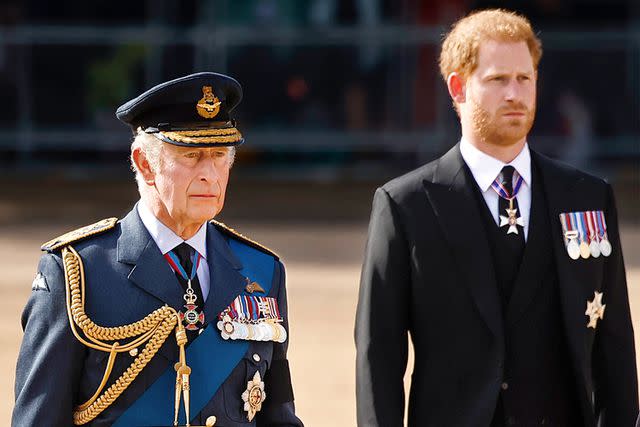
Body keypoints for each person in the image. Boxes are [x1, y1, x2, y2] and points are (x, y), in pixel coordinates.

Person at [355, 9, 637, 427]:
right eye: (497, 79)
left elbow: (615, 347)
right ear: (458, 87)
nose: (514, 94)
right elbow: (378, 356)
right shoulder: (405, 206)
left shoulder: (588, 197)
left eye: (525, 78)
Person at [13, 72, 304, 427]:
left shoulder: (262, 270)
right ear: (144, 163)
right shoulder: (77, 273)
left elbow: (278, 416)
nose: (210, 175)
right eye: (192, 156)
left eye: (219, 155)